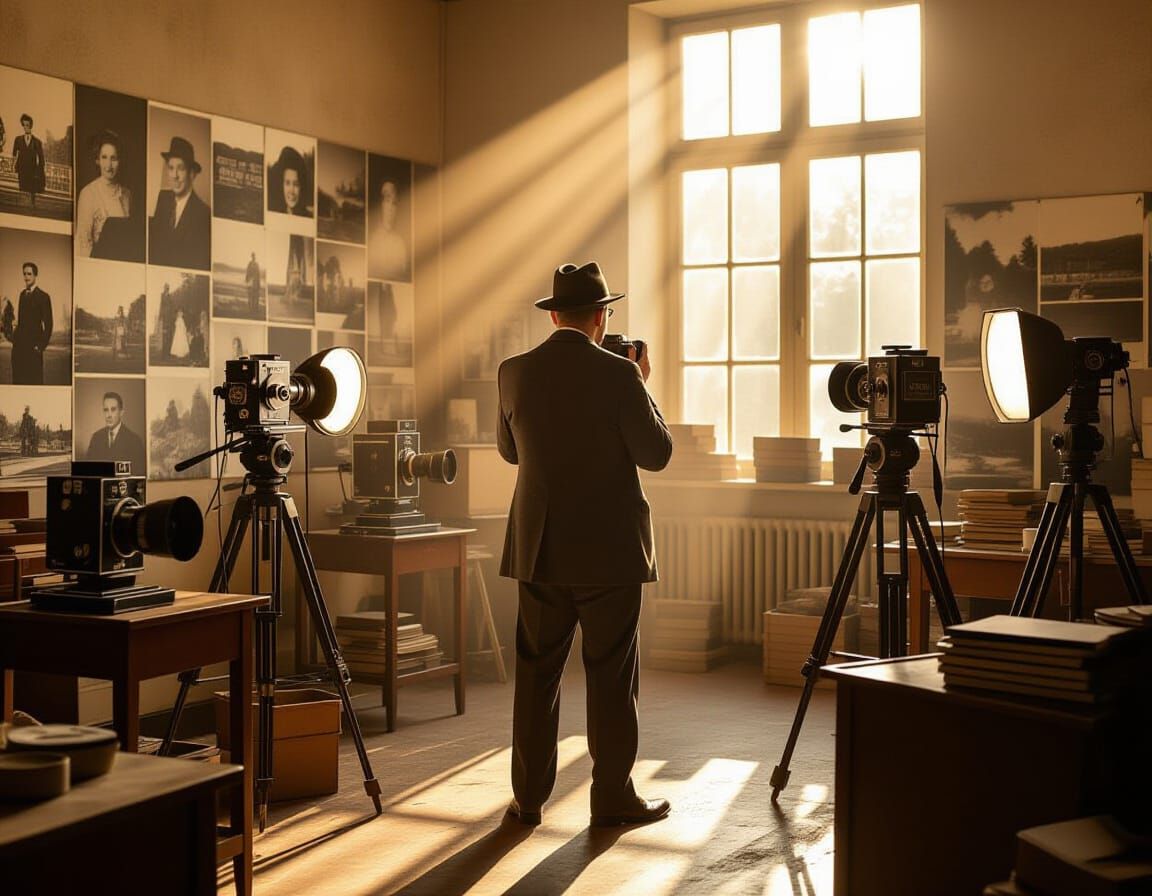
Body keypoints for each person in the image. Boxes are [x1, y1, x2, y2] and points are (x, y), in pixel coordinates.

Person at [496, 261, 673, 828]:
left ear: (555, 315)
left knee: (536, 676)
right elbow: (657, 454)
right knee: (612, 676)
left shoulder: (512, 372)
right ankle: (612, 796)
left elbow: (511, 453)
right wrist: (642, 383)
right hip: (609, 553)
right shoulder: (621, 375)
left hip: (539, 550)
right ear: (602, 316)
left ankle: (527, 801)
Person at [149, 136, 210, 270]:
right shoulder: (163, 198)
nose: (174, 176)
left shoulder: (204, 214)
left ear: (192, 174)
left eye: (180, 168)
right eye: (171, 168)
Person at [76, 130, 132, 257]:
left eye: (114, 158)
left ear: (120, 161)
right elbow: (83, 243)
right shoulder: (88, 194)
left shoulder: (127, 195)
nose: (108, 165)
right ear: (98, 160)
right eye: (104, 157)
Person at [11, 262, 53, 385]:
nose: (26, 277)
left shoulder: (44, 297)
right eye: (24, 274)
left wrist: (40, 347)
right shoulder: (22, 295)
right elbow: (22, 322)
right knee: (18, 383)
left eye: (29, 274)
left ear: (35, 275)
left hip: (33, 351)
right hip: (18, 350)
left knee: (33, 384)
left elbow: (49, 325)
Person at [86, 391, 146, 474]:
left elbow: (138, 476)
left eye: (113, 409)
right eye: (106, 410)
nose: (109, 415)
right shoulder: (96, 438)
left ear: (121, 412)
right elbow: (88, 470)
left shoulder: (134, 441)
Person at [369, 178, 409, 281]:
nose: (391, 207)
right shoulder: (371, 239)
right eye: (387, 199)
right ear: (380, 204)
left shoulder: (400, 243)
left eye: (394, 203)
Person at [12, 114, 45, 210]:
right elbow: (14, 154)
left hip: (32, 170)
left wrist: (39, 171)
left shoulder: (37, 142)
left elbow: (41, 158)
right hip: (22, 169)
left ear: (31, 126)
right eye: (24, 125)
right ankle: (22, 209)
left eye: (28, 125)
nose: (26, 127)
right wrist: (14, 167)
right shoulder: (18, 140)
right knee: (22, 189)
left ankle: (31, 208)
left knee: (31, 191)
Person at [270, 145, 310, 216]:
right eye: (287, 183)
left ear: (301, 187)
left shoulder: (308, 216)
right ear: (281, 185)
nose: (291, 190)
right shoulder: (273, 212)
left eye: (296, 184)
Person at [245, 251, 261, 315]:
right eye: (252, 256)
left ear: (255, 257)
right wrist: (247, 279)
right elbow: (247, 272)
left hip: (255, 282)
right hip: (251, 282)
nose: (253, 257)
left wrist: (259, 283)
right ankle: (250, 308)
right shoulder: (250, 264)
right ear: (251, 257)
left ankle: (255, 309)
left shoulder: (256, 264)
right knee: (250, 295)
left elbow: (258, 274)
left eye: (254, 256)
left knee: (255, 296)